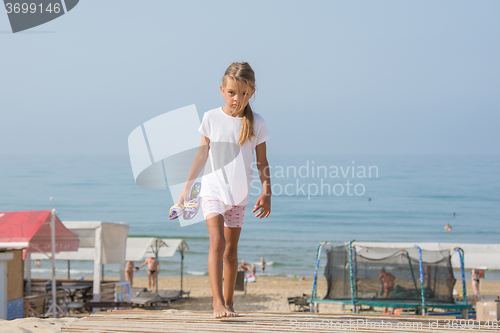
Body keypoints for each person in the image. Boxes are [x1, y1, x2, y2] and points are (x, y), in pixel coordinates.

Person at [177, 62, 271, 318]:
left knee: (231, 253)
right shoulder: (210, 117)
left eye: (243, 93)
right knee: (217, 242)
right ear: (222, 90)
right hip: (212, 191)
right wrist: (187, 187)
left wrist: (266, 192)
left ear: (252, 92)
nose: (236, 99)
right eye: (231, 93)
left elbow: (262, 162)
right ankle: (217, 302)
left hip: (239, 197)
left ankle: (229, 302)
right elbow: (201, 154)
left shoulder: (257, 123)